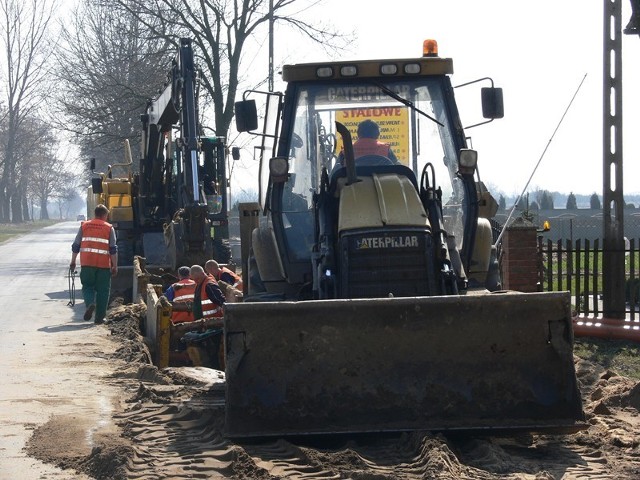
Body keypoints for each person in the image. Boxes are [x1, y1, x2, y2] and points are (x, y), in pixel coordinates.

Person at [69, 204, 118, 324]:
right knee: (103, 290)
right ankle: (99, 318)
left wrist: (73, 261)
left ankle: (90, 303)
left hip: (87, 263)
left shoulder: (84, 225)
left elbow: (76, 245)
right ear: (104, 215)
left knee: (87, 286)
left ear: (95, 214)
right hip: (103, 265)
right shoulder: (108, 228)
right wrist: (115, 265)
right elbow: (113, 249)